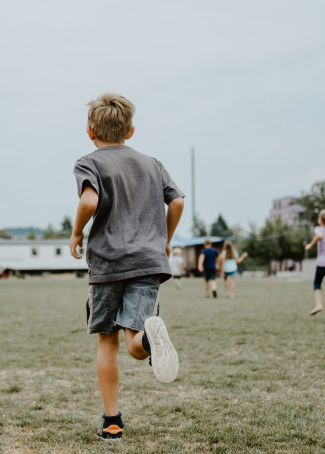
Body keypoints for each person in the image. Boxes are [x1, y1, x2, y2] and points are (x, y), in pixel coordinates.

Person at [69, 93, 184, 440]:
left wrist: (76, 233)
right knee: (134, 339)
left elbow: (90, 199)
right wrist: (165, 237)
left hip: (107, 264)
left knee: (108, 342)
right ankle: (147, 339)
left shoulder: (89, 162)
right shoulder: (152, 163)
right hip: (148, 262)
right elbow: (176, 200)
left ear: (90, 131)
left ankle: (112, 422)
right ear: (130, 131)